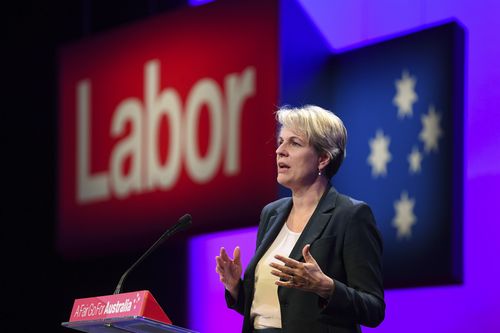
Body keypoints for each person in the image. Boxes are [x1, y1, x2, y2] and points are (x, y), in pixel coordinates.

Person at [215, 105, 385, 333]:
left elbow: (373, 309)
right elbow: (273, 308)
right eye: (280, 142)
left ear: (323, 158)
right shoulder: (271, 213)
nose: (280, 151)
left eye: (294, 143)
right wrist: (236, 288)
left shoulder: (350, 215)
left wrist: (327, 287)